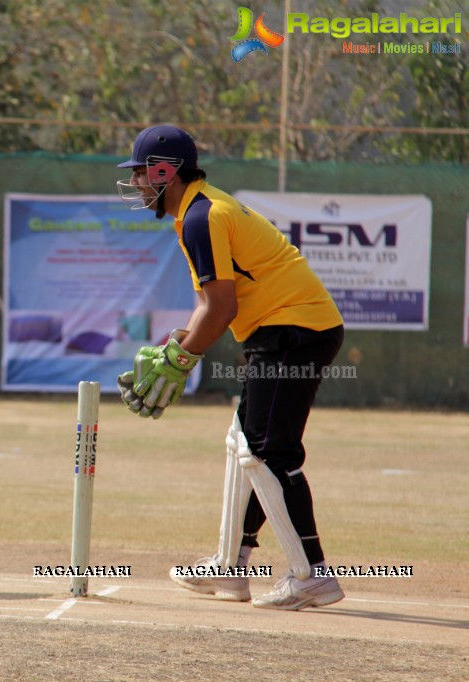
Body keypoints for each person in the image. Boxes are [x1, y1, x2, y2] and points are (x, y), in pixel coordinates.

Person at [114, 125, 345, 610]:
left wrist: (180, 363)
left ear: (165, 172)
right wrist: (176, 346)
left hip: (292, 331)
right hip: (286, 331)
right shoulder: (195, 212)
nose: (136, 183)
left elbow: (221, 308)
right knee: (243, 445)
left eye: (140, 173)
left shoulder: (203, 215)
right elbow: (207, 303)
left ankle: (312, 575)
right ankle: (229, 564)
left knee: (266, 454)